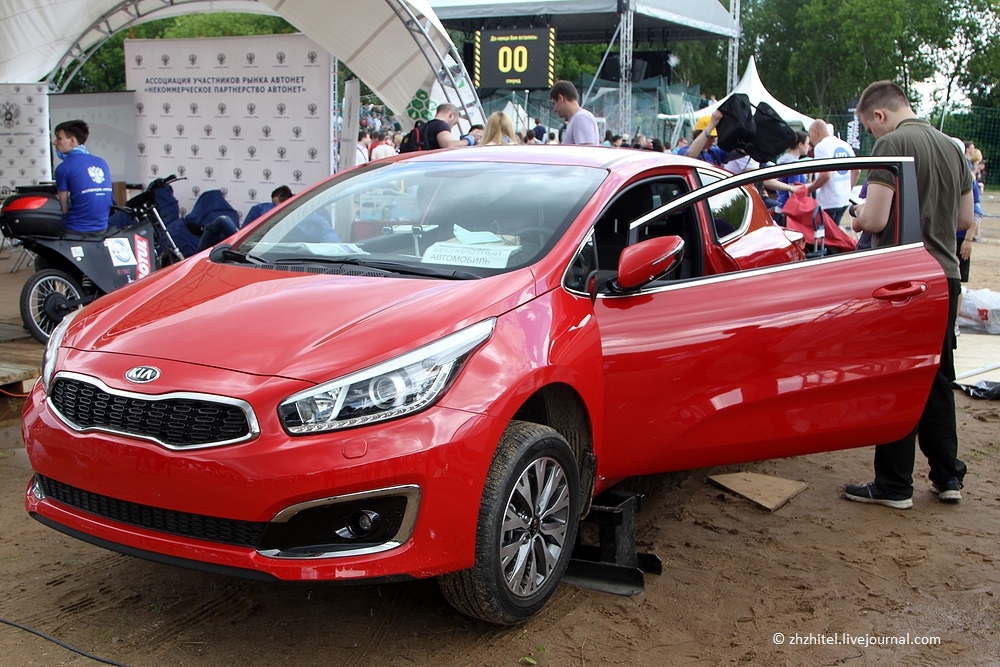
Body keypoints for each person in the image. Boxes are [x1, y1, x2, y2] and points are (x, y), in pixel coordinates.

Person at [845, 80, 975, 509]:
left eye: (870, 128)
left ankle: (894, 485)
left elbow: (877, 218)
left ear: (879, 116)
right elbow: (962, 217)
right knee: (938, 376)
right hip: (946, 276)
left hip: (903, 277)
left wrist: (856, 214)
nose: (874, 137)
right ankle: (947, 475)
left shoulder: (893, 145)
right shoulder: (953, 147)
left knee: (897, 375)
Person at [52, 120, 113, 234]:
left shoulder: (63, 168)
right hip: (102, 227)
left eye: (59, 138)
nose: (55, 143)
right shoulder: (102, 162)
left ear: (72, 140)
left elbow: (63, 208)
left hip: (75, 229)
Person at [807, 119, 858, 225]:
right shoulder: (845, 145)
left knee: (826, 237)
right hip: (843, 199)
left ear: (816, 132)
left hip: (828, 200)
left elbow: (826, 175)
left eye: (810, 135)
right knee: (836, 234)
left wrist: (809, 189)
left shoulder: (821, 147)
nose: (810, 140)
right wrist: (848, 189)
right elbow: (856, 170)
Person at [549, 81, 600, 146]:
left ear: (560, 98)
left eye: (554, 103)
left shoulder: (581, 117)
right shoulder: (577, 118)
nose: (554, 109)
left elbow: (586, 152)